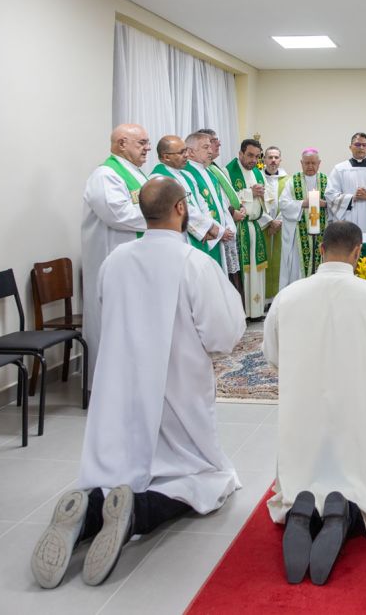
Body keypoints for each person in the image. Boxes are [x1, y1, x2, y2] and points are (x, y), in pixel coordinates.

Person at [31, 177, 245, 589]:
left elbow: (103, 308)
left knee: (118, 468)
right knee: (205, 479)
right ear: (181, 209)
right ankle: (135, 514)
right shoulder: (194, 263)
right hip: (176, 389)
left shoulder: (116, 260)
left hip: (120, 389)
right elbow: (223, 333)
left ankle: (91, 508)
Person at [263, 221, 366, 585]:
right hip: (359, 409)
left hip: (304, 408)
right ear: (358, 252)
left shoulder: (289, 296)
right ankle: (346, 508)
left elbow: (272, 354)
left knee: (304, 465)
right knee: (362, 472)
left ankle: (301, 502)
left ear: (321, 250)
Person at [81, 123, 150, 372]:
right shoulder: (105, 175)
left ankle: (134, 377)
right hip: (112, 260)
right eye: (142, 143)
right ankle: (106, 384)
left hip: (135, 261)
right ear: (122, 143)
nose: (147, 148)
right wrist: (161, 214)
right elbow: (118, 214)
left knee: (134, 324)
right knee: (114, 324)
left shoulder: (137, 174)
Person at [150, 135, 223, 265]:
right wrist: (207, 227)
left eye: (186, 151)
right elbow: (181, 209)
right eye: (181, 152)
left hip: (200, 233)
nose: (186, 155)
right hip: (181, 237)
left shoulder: (186, 175)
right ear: (166, 156)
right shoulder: (159, 178)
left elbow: (201, 203)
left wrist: (208, 226)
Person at [224, 138, 268, 319]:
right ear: (240, 153)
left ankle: (256, 311)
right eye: (250, 155)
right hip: (239, 228)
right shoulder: (228, 171)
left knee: (256, 270)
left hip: (254, 227)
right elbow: (226, 199)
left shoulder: (258, 172)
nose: (253, 160)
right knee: (243, 270)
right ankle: (243, 312)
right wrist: (251, 193)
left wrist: (264, 194)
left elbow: (269, 197)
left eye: (257, 156)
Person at [183, 133, 235, 274]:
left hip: (219, 234)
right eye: (206, 147)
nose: (211, 151)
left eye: (210, 147)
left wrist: (228, 226)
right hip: (207, 236)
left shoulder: (209, 172)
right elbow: (197, 208)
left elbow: (220, 203)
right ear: (191, 152)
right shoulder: (188, 172)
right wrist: (218, 231)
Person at [278, 149, 328, 289]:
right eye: (307, 163)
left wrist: (325, 204)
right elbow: (283, 204)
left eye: (313, 163)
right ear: (301, 163)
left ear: (319, 163)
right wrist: (303, 203)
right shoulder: (293, 181)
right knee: (298, 268)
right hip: (300, 236)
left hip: (321, 233)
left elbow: (335, 203)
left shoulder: (326, 181)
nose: (310, 166)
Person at [325, 132, 366, 233]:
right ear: (350, 147)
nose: (361, 147)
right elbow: (330, 195)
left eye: (364, 145)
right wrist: (352, 198)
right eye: (357, 144)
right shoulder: (339, 169)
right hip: (347, 219)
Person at [259, 146, 289, 305]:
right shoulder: (257, 178)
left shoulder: (287, 180)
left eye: (276, 157)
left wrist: (278, 222)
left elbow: (290, 203)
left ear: (280, 160)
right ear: (264, 159)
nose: (273, 160)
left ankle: (278, 298)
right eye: (270, 157)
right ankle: (263, 300)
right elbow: (253, 204)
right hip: (262, 227)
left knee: (280, 261)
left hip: (281, 228)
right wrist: (269, 221)